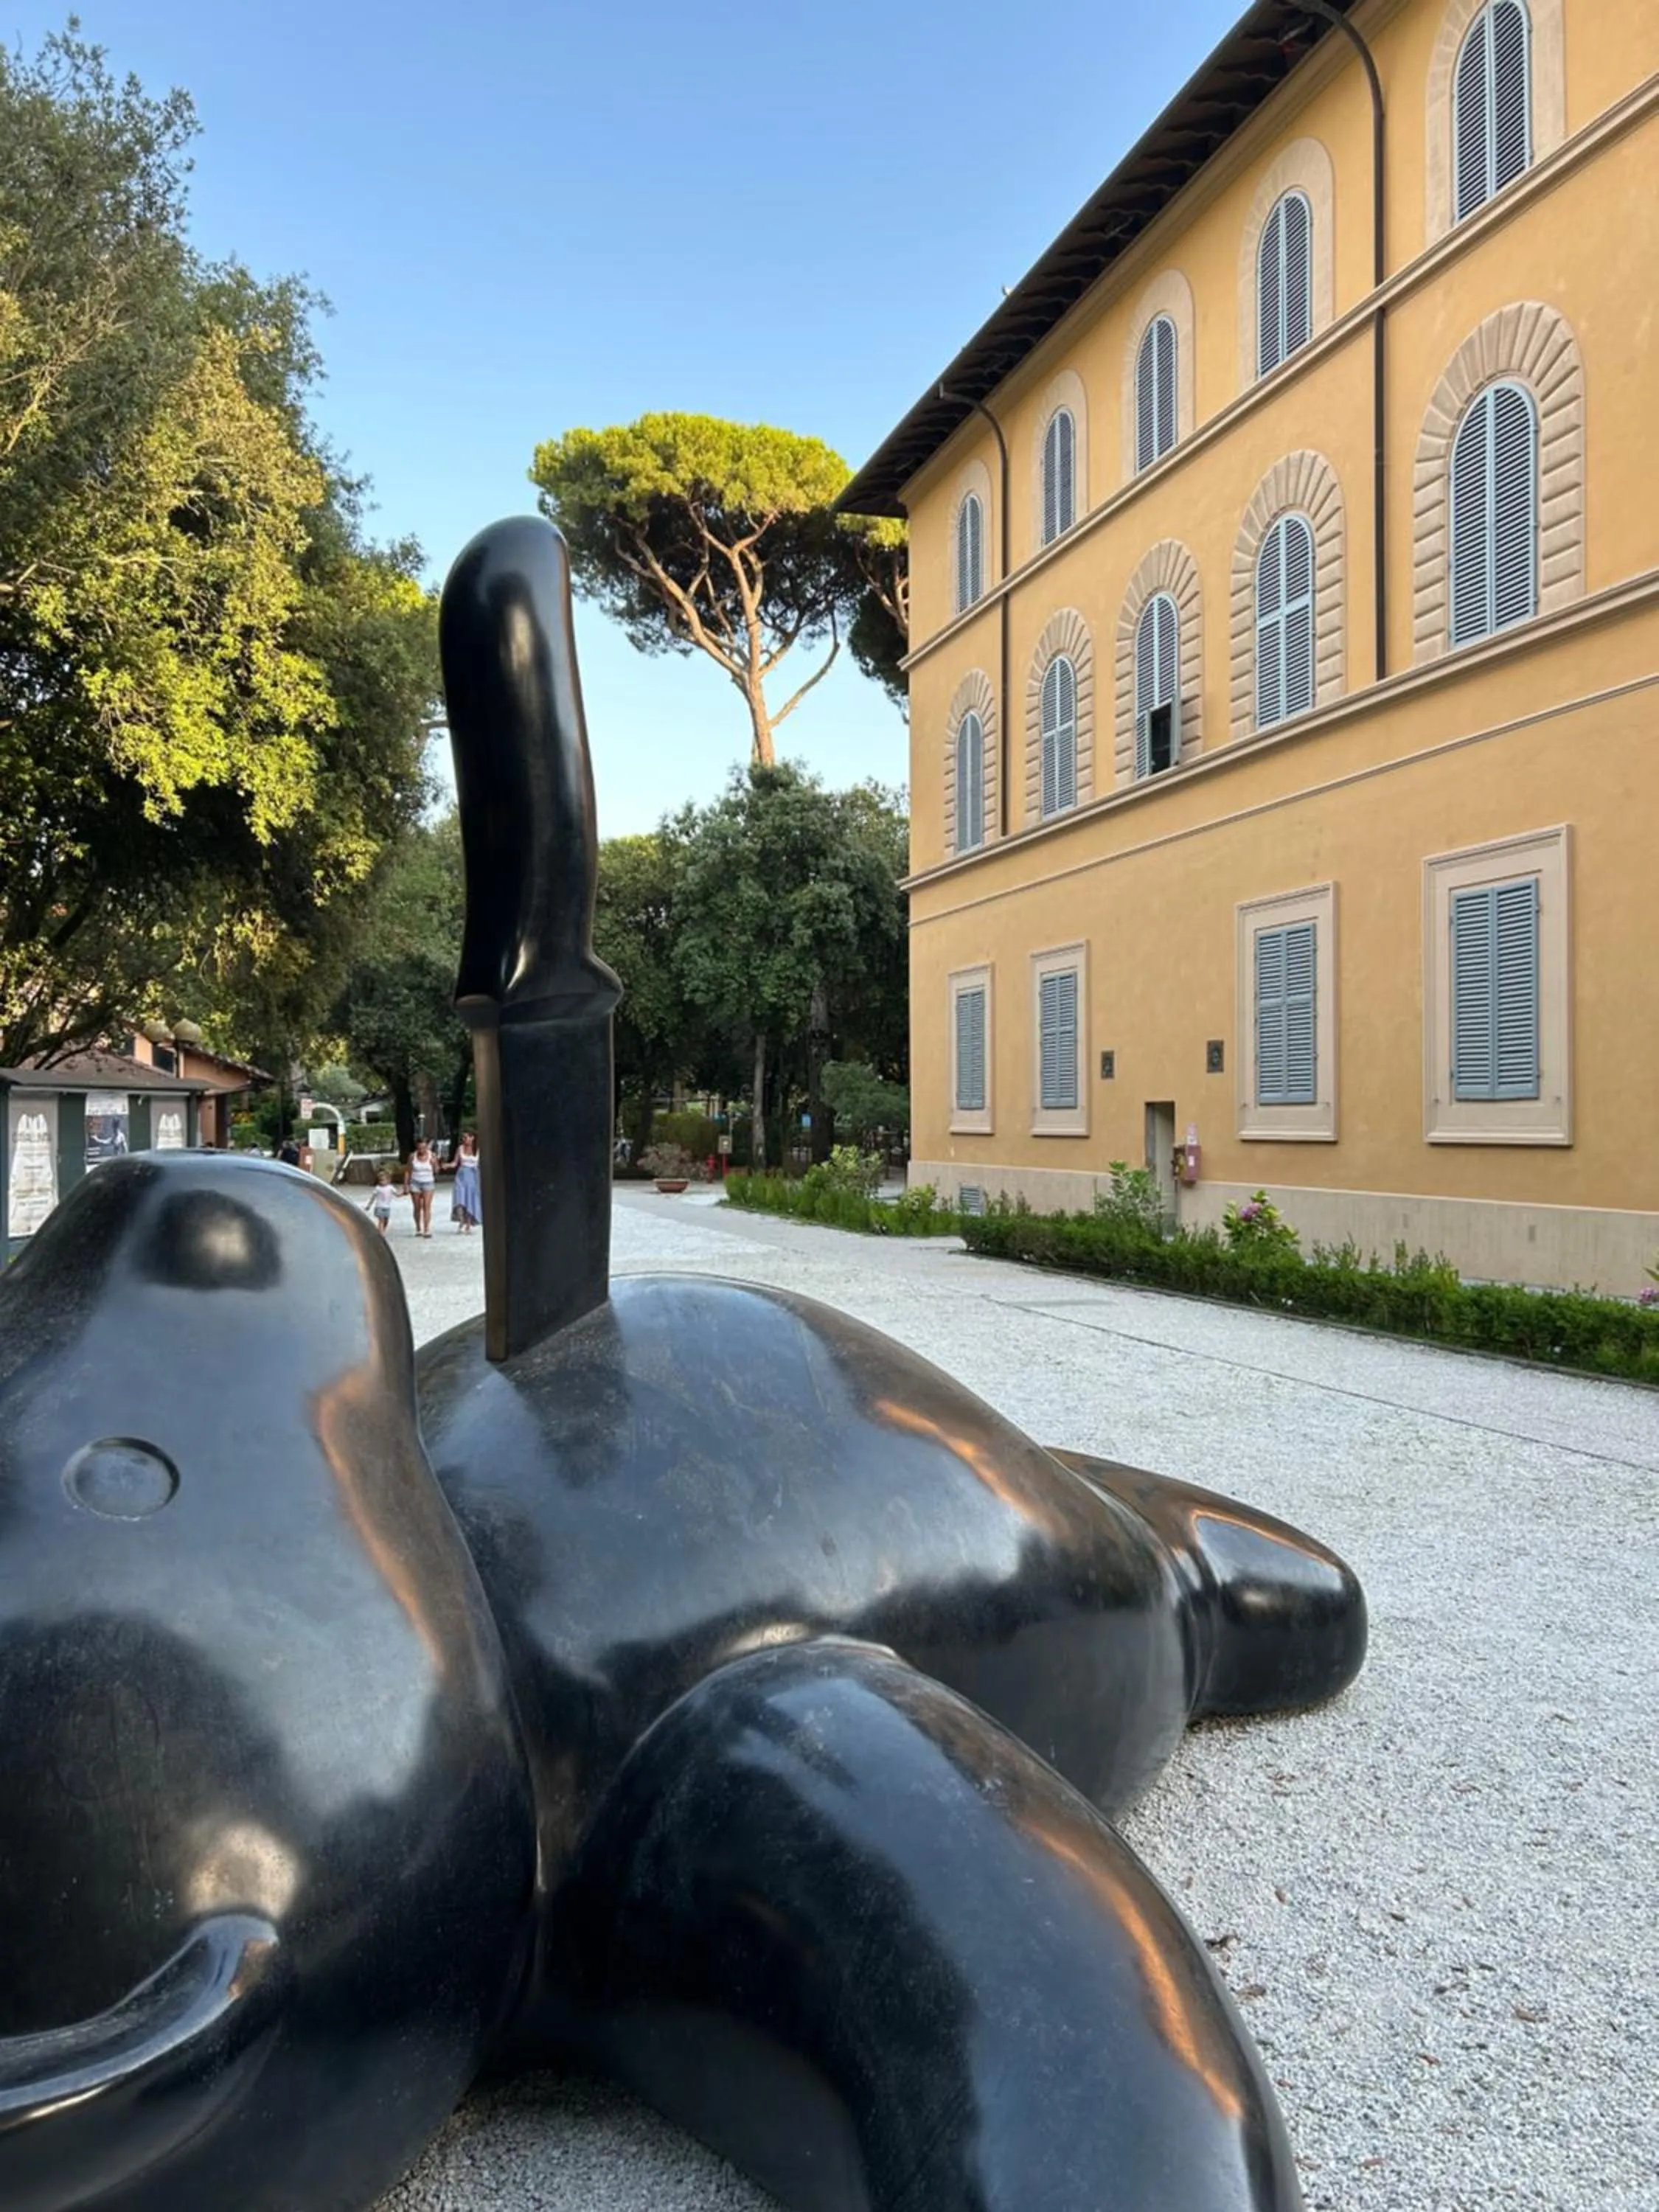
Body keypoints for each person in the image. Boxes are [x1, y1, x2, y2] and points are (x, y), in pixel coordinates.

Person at [406, 1140, 437, 1238]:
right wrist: (406, 1185)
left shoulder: (432, 1155)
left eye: (424, 1148)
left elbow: (437, 1171)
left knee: (427, 1206)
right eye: (419, 1148)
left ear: (427, 1147)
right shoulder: (412, 1156)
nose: (422, 1150)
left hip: (428, 1182)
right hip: (415, 1182)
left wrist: (434, 1163)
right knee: (417, 1207)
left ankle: (426, 1229)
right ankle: (418, 1228)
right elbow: (408, 1171)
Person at [451, 1132, 481, 1234]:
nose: (464, 1139)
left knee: (470, 1200)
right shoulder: (460, 1149)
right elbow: (455, 1163)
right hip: (462, 1176)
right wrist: (447, 1165)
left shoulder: (478, 1150)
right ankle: (461, 1220)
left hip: (473, 1176)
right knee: (460, 1199)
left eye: (466, 1137)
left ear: (472, 1138)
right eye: (463, 1138)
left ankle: (468, 1224)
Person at [364, 1169, 397, 1237]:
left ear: (388, 1180)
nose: (382, 1182)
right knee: (381, 1220)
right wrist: (369, 1205)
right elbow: (373, 1198)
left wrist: (404, 1193)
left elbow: (397, 1194)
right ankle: (381, 1234)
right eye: (380, 1180)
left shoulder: (390, 1188)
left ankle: (381, 1231)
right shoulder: (378, 1188)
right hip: (379, 1207)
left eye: (383, 1180)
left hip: (387, 1207)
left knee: (386, 1221)